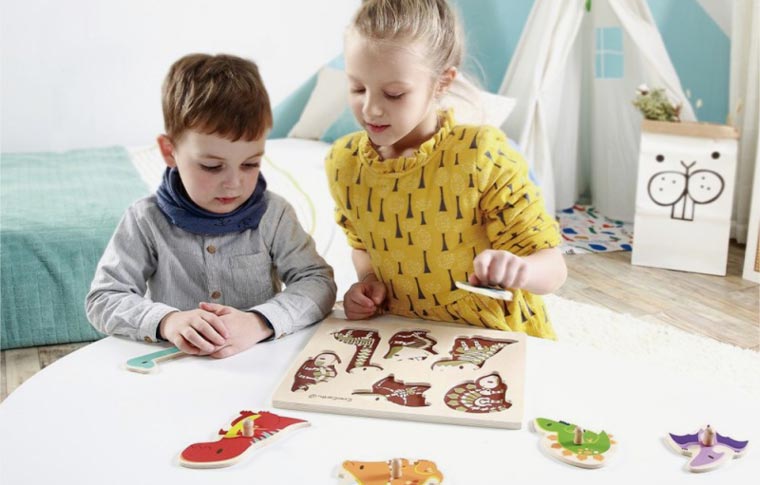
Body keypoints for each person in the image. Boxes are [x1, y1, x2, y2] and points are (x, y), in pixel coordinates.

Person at [325, 0, 566, 338]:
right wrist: (367, 283)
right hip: (403, 338)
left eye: (394, 94)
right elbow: (363, 247)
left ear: (442, 83)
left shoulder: (482, 156)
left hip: (494, 339)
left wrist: (521, 270)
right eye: (358, 88)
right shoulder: (344, 163)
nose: (370, 109)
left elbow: (554, 269)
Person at [87, 53, 336, 358]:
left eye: (250, 164)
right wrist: (167, 321)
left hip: (258, 363)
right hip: (177, 366)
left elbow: (317, 282)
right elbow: (104, 298)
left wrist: (259, 322)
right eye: (211, 166)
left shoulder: (275, 214)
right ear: (169, 151)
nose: (233, 183)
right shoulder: (145, 219)